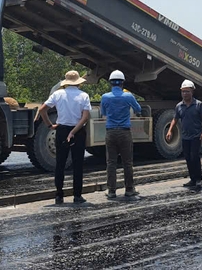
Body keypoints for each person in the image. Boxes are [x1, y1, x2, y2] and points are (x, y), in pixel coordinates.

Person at [38, 70, 92, 204]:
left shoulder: (58, 94)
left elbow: (42, 110)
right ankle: (77, 195)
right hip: (78, 131)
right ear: (78, 82)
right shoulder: (84, 95)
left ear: (66, 82)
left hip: (61, 130)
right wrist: (74, 131)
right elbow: (85, 117)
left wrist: (50, 125)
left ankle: (59, 195)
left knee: (60, 164)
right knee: (78, 164)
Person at [100, 70, 143, 200]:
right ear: (122, 83)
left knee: (111, 162)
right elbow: (138, 109)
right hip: (125, 132)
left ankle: (111, 190)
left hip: (111, 132)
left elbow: (103, 112)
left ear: (111, 83)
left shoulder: (105, 97)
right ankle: (129, 189)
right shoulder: (128, 96)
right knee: (127, 162)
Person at [167, 80, 202, 191]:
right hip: (185, 137)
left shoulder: (198, 104)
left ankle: (199, 179)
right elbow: (175, 119)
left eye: (187, 91)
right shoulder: (179, 106)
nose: (185, 94)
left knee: (195, 157)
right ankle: (192, 179)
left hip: (196, 136)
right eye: (183, 92)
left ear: (192, 92)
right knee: (188, 158)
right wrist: (170, 130)